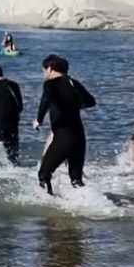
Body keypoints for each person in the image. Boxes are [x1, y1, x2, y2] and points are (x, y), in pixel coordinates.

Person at [33, 54, 96, 193]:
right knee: (76, 179)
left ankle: (48, 204)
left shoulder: (50, 84)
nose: (44, 73)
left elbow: (45, 100)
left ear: (50, 68)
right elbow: (91, 102)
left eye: (44, 70)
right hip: (79, 135)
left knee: (43, 174)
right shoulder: (74, 82)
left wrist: (39, 119)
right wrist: (74, 104)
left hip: (64, 135)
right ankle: (90, 203)